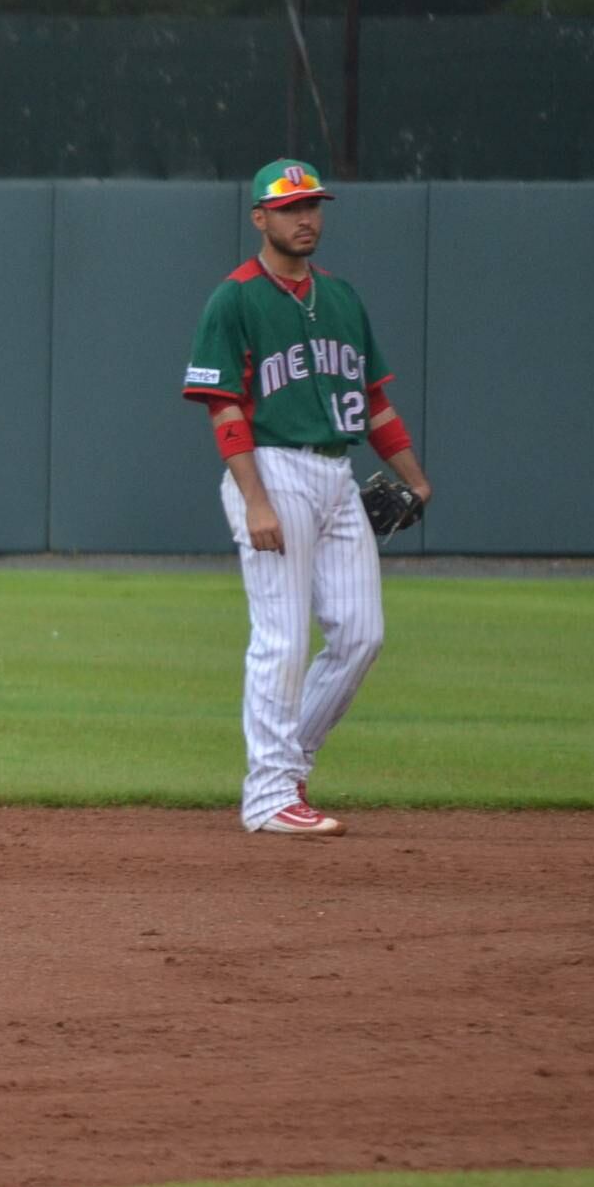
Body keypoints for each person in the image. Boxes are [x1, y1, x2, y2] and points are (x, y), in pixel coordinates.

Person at [182, 159, 433, 837]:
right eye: (290, 208)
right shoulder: (234, 299)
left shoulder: (342, 298)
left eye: (313, 206)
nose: (305, 218)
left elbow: (373, 402)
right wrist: (255, 501)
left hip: (336, 474)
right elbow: (225, 408)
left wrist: (414, 476)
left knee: (361, 635)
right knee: (284, 637)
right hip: (273, 469)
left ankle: (288, 765)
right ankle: (268, 796)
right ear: (260, 217)